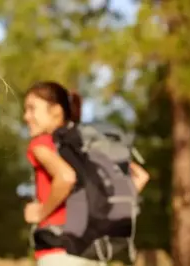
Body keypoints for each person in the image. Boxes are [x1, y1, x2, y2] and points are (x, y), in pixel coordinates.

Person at [22, 81, 150, 266]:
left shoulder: (41, 143)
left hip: (59, 251)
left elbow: (66, 177)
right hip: (92, 251)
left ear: (56, 111)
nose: (26, 116)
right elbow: (141, 177)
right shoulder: (87, 145)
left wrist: (41, 212)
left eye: (32, 109)